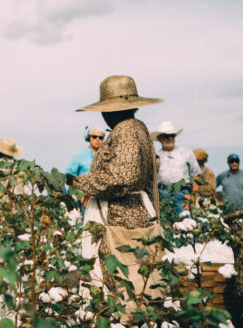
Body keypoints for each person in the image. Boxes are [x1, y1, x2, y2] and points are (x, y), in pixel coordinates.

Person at [74, 75, 164, 302]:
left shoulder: (125, 131)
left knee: (122, 272)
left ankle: (122, 323)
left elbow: (122, 178)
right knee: (139, 269)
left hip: (120, 213)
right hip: (136, 208)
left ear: (110, 111)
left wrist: (80, 182)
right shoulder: (139, 130)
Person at [153, 121, 201, 215]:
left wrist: (193, 197)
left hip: (183, 195)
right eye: (167, 136)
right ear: (159, 138)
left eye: (173, 135)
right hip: (162, 196)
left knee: (185, 225)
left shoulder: (186, 152)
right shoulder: (155, 157)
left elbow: (196, 176)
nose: (170, 138)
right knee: (165, 227)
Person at [65, 126, 105, 214]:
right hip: (86, 198)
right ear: (89, 138)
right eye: (94, 137)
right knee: (88, 224)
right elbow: (69, 176)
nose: (97, 139)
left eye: (100, 137)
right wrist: (77, 192)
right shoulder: (79, 156)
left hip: (103, 198)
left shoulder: (106, 156)